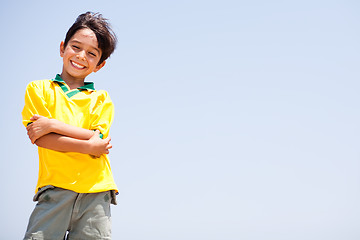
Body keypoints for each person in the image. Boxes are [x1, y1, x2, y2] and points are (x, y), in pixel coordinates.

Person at [22, 12, 118, 240]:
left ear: (100, 65)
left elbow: (97, 138)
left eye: (92, 53)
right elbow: (41, 138)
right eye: (76, 47)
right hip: (54, 190)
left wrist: (54, 124)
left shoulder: (101, 99)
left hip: (96, 192)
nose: (81, 56)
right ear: (62, 48)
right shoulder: (39, 89)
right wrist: (89, 146)